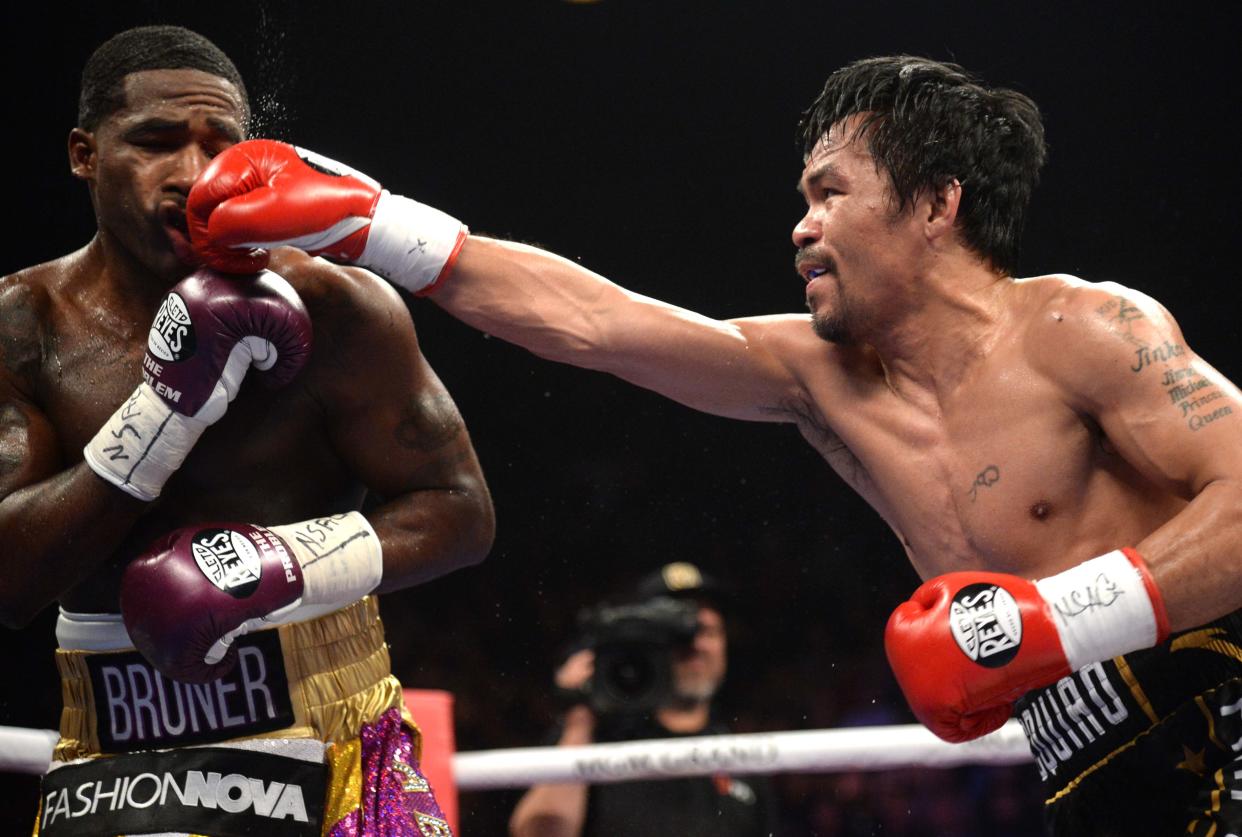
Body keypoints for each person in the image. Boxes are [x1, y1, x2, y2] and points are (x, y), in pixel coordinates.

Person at [188, 56, 1242, 834]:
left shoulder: (1081, 328)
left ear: (936, 205)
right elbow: (596, 323)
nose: (800, 226)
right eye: (802, 200)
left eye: (831, 193)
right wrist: (372, 226)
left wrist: (1056, 621)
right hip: (1089, 774)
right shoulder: (817, 375)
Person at [0, 25, 494, 837]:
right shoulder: (25, 325)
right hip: (113, 759)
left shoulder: (337, 307)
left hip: (333, 739)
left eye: (218, 146)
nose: (192, 176)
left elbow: (461, 509)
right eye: (155, 143)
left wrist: (284, 564)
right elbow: (13, 578)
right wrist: (165, 409)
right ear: (85, 155)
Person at [509, 561, 777, 837]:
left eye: (707, 631)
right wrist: (580, 722)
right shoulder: (594, 739)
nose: (695, 644)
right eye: (680, 633)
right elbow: (537, 834)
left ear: (724, 645)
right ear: (646, 641)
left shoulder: (742, 760)